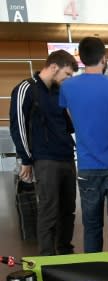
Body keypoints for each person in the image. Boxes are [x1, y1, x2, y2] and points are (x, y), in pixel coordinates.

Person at [59, 37, 108, 253]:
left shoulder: (68, 87)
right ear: (104, 58)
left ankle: (95, 275)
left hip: (87, 166)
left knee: (91, 227)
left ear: (80, 58)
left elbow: (73, 119)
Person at [9, 49, 78, 256]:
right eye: (67, 74)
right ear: (54, 67)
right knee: (48, 209)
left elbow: (68, 126)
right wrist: (26, 159)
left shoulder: (59, 93)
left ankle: (65, 250)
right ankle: (47, 256)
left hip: (66, 157)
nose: (67, 79)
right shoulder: (26, 88)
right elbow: (18, 126)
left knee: (68, 210)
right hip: (44, 159)